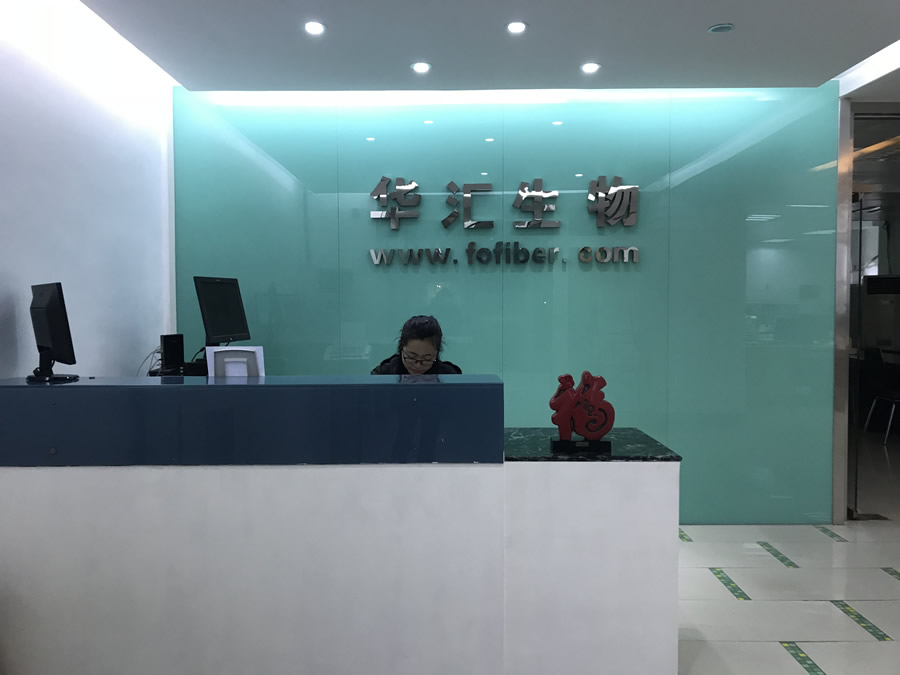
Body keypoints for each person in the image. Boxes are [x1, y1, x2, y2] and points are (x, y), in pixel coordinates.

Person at [371, 315, 462, 375]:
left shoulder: (450, 377)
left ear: (437, 353)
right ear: (401, 348)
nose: (418, 366)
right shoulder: (382, 375)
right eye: (411, 357)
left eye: (427, 359)